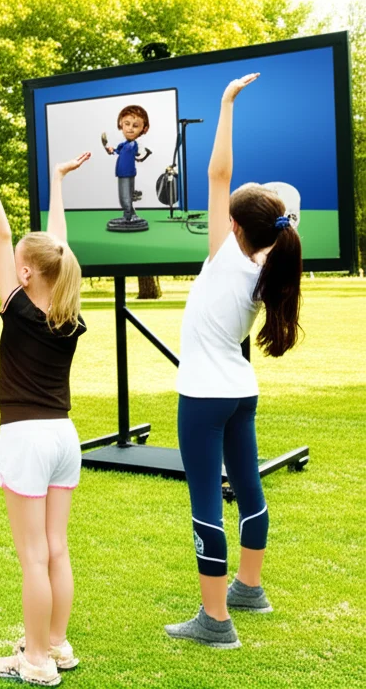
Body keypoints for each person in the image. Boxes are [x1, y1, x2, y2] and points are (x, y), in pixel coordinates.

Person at [166, 73, 303, 648]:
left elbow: (217, 173)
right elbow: (279, 209)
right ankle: (250, 588)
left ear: (233, 227)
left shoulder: (225, 258)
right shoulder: (271, 267)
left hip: (203, 397)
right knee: (247, 487)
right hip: (240, 391)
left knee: (205, 502)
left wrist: (225, 105)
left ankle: (216, 621)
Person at [0, 133, 90, 687]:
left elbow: (2, 231)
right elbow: (56, 249)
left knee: (33, 558)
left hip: (25, 438)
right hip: (65, 438)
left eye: (18, 261)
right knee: (55, 549)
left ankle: (36, 660)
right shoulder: (67, 308)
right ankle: (56, 644)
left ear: (24, 274)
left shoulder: (18, 306)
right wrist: (59, 184)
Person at [103, 104, 151, 230]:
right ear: (121, 124)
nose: (130, 129)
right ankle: (130, 214)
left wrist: (143, 154)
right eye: (127, 124)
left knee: (125, 196)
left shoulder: (133, 145)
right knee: (125, 195)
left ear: (143, 129)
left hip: (128, 173)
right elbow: (116, 151)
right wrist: (110, 149)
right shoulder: (124, 144)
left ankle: (128, 216)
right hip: (122, 172)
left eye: (135, 126)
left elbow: (140, 154)